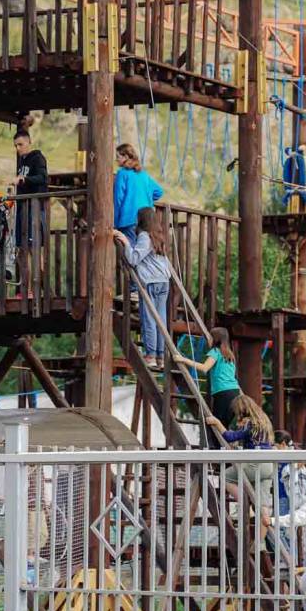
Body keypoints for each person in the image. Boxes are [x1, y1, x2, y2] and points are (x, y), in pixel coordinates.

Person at [114, 207, 173, 368]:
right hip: (163, 281)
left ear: (141, 220)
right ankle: (160, 356)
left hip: (150, 282)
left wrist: (125, 242)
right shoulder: (159, 236)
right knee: (160, 320)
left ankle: (151, 355)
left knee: (149, 319)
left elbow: (133, 259)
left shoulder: (145, 236)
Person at [174, 327, 243, 437]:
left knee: (216, 425)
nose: (209, 339)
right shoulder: (230, 354)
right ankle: (225, 448)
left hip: (222, 392)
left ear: (216, 339)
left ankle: (218, 450)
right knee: (224, 425)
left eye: (210, 337)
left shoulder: (215, 351)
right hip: (235, 392)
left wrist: (183, 360)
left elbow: (205, 368)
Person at [12, 129, 49, 291]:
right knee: (21, 250)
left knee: (34, 250)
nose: (18, 148)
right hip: (22, 209)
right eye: (15, 145)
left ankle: (39, 288)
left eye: (20, 144)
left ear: (29, 142)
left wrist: (24, 179)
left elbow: (43, 178)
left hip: (34, 209)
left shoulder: (37, 158)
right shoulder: (21, 162)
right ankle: (25, 289)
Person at [113, 143, 163, 241]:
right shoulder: (143, 174)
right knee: (143, 251)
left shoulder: (122, 173)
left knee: (131, 252)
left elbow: (118, 199)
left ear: (126, 157)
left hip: (128, 220)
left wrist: (115, 222)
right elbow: (159, 191)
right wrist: (146, 197)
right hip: (146, 219)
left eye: (118, 156)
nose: (116, 159)